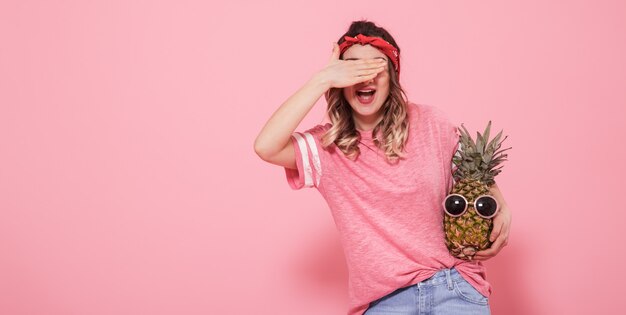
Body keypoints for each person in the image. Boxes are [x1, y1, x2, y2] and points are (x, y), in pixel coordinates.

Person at [254, 20, 511, 315]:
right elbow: (266, 146)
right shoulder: (326, 147)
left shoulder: (431, 124)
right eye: (352, 69)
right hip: (384, 303)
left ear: (392, 77)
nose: (365, 77)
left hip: (453, 290)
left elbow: (475, 175)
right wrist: (320, 80)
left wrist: (503, 207)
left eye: (375, 67)